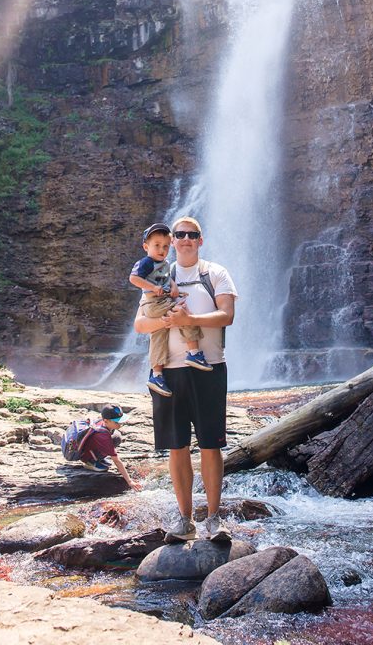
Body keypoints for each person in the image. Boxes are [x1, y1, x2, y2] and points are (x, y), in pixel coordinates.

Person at [133, 216, 237, 544]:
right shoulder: (159, 272)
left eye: (192, 234)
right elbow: (140, 325)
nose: (185, 239)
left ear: (200, 241)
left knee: (210, 444)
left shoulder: (215, 273)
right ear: (171, 241)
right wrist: (167, 320)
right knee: (176, 446)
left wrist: (189, 318)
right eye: (179, 234)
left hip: (209, 368)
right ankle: (184, 519)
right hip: (170, 373)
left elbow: (227, 315)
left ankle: (214, 518)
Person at [129, 222, 212, 398]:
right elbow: (134, 278)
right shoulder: (146, 262)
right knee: (182, 313)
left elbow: (166, 279)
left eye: (166, 246)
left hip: (160, 301)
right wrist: (152, 287)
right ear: (146, 246)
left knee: (158, 335)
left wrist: (173, 286)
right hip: (154, 303)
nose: (162, 249)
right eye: (157, 246)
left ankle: (157, 374)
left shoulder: (165, 263)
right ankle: (193, 352)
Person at [78, 404, 141, 491]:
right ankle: (91, 462)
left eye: (120, 421)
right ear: (106, 421)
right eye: (116, 422)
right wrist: (130, 481)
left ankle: (97, 457)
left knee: (117, 436)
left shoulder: (103, 424)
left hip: (92, 447)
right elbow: (116, 460)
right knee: (104, 467)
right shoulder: (102, 436)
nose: (120, 424)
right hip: (86, 455)